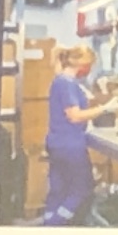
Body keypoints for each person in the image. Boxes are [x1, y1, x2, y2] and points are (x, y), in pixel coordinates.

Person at [37, 46, 99, 224]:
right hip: (70, 145)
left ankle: (48, 223)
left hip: (57, 143)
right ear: (83, 65)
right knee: (81, 188)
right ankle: (56, 223)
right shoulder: (67, 84)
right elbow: (74, 115)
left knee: (59, 189)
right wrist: (105, 108)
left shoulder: (60, 81)